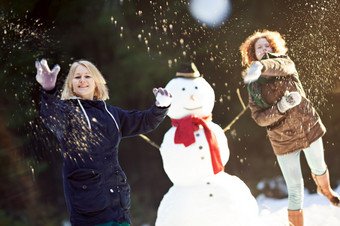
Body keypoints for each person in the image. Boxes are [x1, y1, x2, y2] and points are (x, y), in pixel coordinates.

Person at [35, 59, 172, 226]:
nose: (82, 80)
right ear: (71, 84)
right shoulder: (67, 111)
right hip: (89, 210)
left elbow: (145, 121)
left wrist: (160, 107)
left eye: (87, 76)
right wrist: (49, 91)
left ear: (96, 82)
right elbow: (52, 118)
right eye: (77, 77)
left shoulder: (111, 113)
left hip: (118, 206)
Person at [239, 30, 339, 226]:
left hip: (308, 127)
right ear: (252, 53)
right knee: (295, 189)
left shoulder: (285, 63)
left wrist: (260, 66)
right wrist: (280, 108)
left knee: (318, 167)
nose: (264, 49)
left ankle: (325, 191)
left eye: (267, 45)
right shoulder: (253, 87)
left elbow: (277, 66)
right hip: (282, 140)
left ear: (274, 48)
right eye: (259, 47)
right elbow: (259, 118)